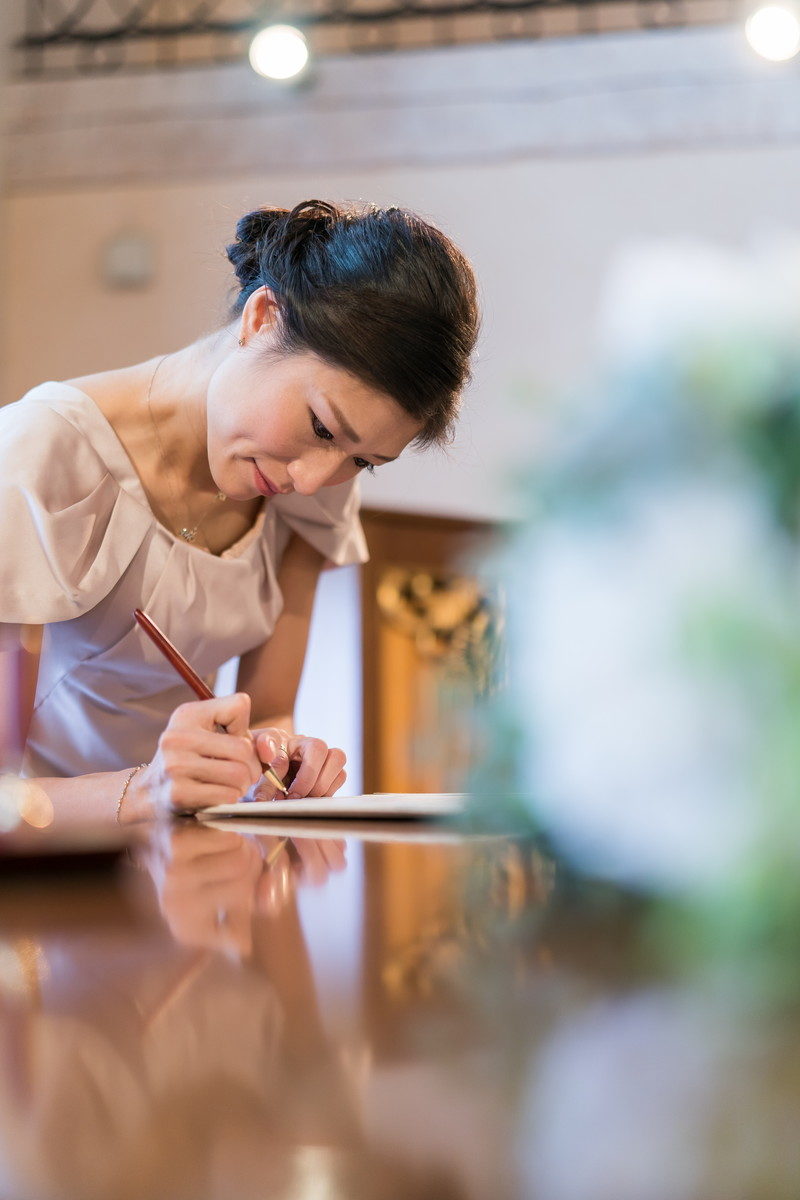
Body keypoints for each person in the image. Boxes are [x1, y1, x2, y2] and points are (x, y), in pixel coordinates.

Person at [0, 199, 479, 823]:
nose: (314, 480)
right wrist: (143, 792)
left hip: (180, 850)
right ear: (262, 318)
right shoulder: (42, 453)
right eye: (322, 428)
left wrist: (279, 758)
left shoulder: (314, 478)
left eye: (364, 463)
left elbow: (269, 710)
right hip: (41, 875)